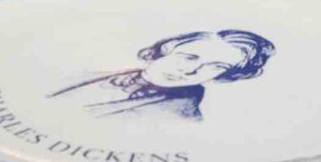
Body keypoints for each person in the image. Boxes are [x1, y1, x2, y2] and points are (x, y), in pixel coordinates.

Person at [47, 29, 275, 121]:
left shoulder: (179, 116)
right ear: (166, 49)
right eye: (188, 57)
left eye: (215, 67)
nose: (191, 71)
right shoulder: (89, 74)